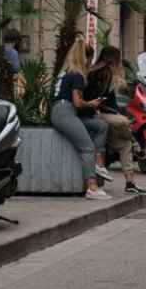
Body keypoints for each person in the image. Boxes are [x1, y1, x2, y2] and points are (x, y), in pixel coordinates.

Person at [51, 37, 111, 200]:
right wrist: (91, 104)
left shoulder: (65, 72)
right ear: (86, 58)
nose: (90, 64)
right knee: (87, 147)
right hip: (65, 112)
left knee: (100, 126)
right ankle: (91, 187)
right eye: (90, 60)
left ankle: (99, 163)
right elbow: (78, 103)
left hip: (61, 111)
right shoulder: (77, 75)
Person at [86, 46, 146, 196]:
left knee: (124, 144)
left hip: (105, 114)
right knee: (125, 123)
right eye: (118, 59)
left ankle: (130, 183)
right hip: (101, 114)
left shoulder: (98, 71)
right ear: (113, 59)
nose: (120, 62)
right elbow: (97, 98)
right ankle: (136, 143)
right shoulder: (104, 72)